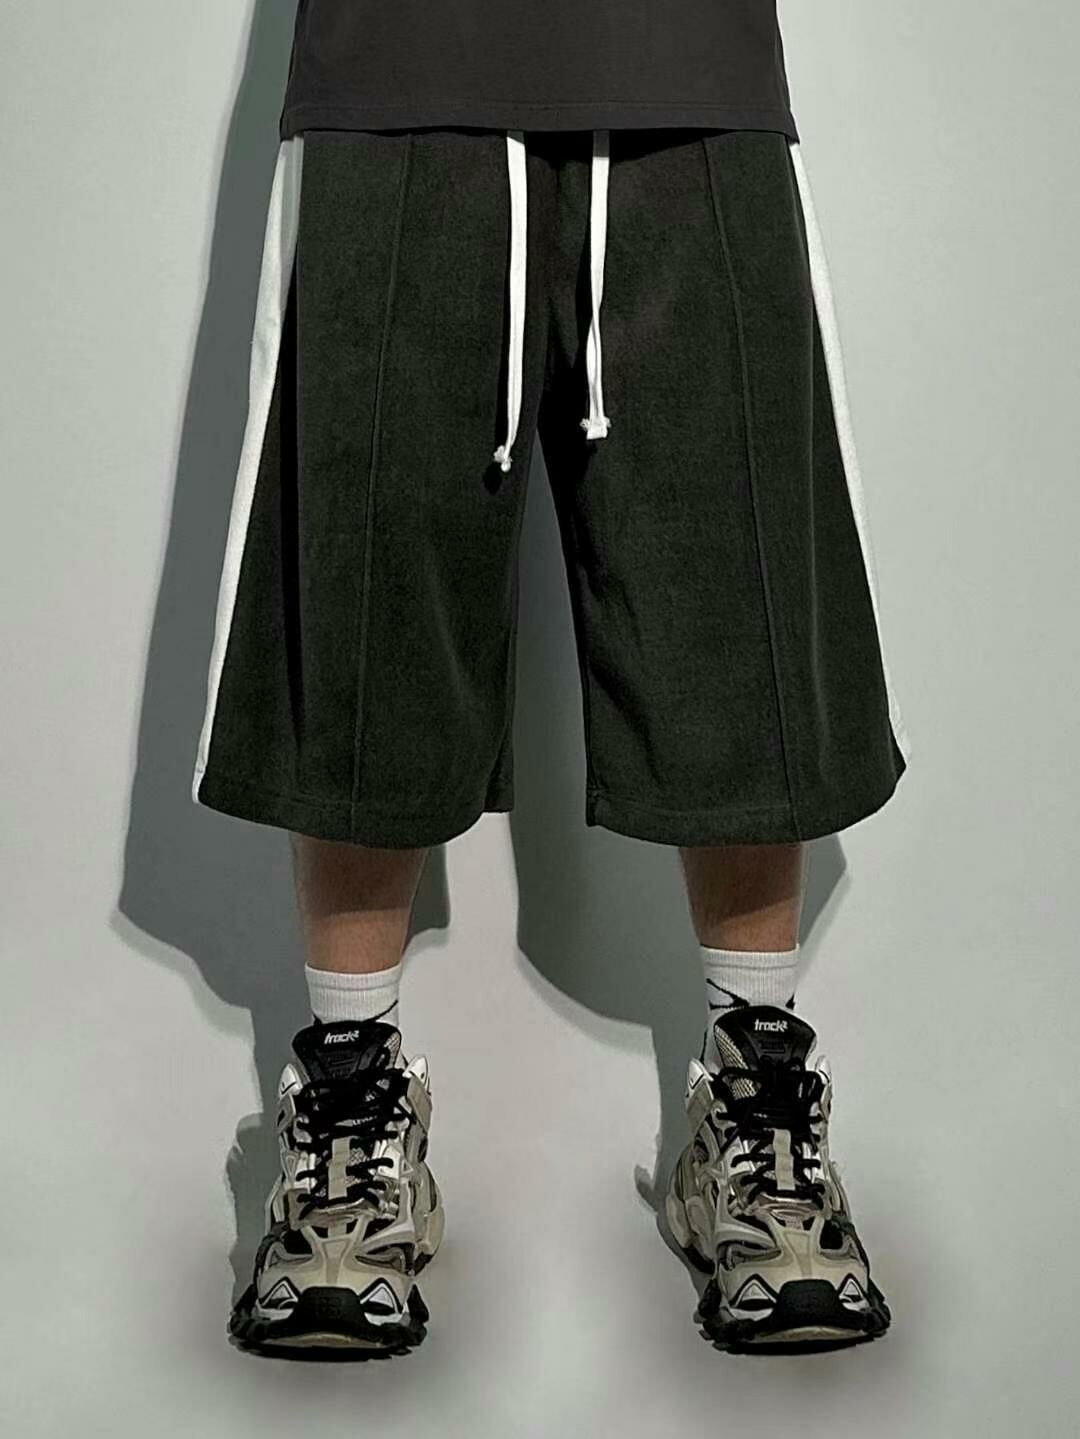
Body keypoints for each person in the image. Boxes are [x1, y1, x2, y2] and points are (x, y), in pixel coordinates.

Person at [192, 0, 909, 1356]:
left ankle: (754, 1117)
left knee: (739, 568)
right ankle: (350, 1119)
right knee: (365, 569)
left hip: (686, 53)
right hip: (400, 57)